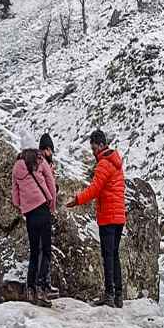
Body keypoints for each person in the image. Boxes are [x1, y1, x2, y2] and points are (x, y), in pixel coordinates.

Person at [66, 129, 127, 308]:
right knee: (114, 255)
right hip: (119, 216)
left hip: (108, 216)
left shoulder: (103, 164)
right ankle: (118, 296)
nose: (92, 151)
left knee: (108, 256)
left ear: (100, 145)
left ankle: (109, 295)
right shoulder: (116, 163)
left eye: (93, 147)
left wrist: (76, 200)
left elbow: (94, 189)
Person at [12, 133, 58, 307]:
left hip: (29, 213)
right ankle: (41, 288)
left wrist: (21, 206)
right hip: (43, 209)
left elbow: (14, 193)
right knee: (45, 250)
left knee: (33, 252)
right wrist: (52, 204)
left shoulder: (17, 166)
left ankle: (30, 289)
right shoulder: (41, 161)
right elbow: (51, 184)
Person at [39, 132, 60, 299]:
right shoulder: (43, 164)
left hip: (36, 210)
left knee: (42, 249)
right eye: (50, 150)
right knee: (44, 250)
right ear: (46, 149)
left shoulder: (36, 163)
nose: (51, 153)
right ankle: (43, 285)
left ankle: (44, 283)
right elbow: (50, 188)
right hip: (43, 209)